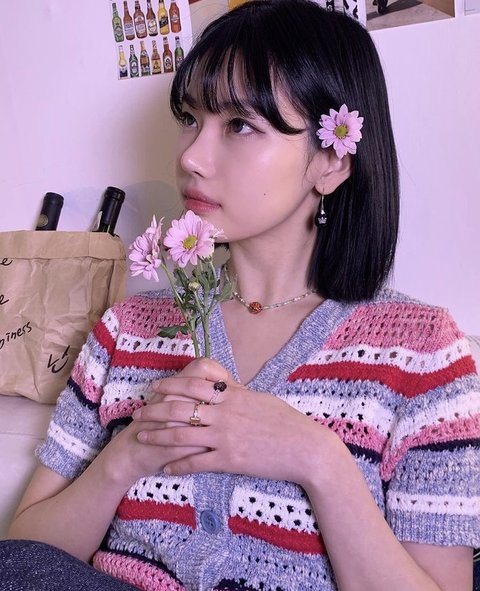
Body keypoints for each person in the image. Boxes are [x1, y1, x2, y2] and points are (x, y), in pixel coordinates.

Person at [2, 1, 479, 590]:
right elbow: (25, 557)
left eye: (240, 126)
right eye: (190, 119)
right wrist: (127, 455)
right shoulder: (127, 330)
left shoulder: (422, 353)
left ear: (331, 161)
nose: (189, 157)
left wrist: (319, 461)